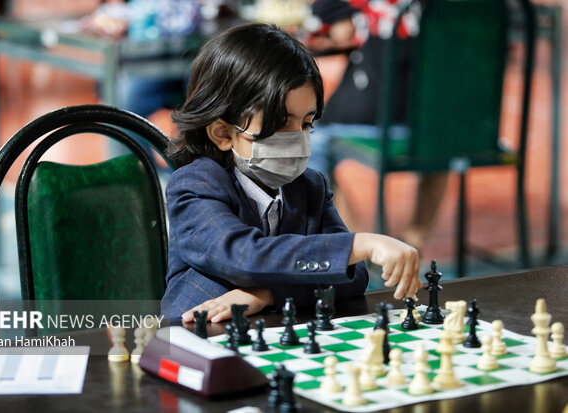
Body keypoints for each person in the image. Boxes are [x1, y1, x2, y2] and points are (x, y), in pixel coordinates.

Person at [162, 23, 422, 323]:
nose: (298, 137)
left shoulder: (310, 186)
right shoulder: (194, 186)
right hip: (194, 338)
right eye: (281, 123)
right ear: (223, 133)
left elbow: (353, 275)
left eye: (307, 124)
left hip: (274, 337)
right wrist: (360, 244)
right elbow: (244, 256)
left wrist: (267, 295)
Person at [308, 0, 449, 256]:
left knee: (306, 143)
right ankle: (414, 239)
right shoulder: (457, 8)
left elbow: (327, 19)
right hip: (443, 125)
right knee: (441, 148)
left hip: (371, 117)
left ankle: (362, 248)